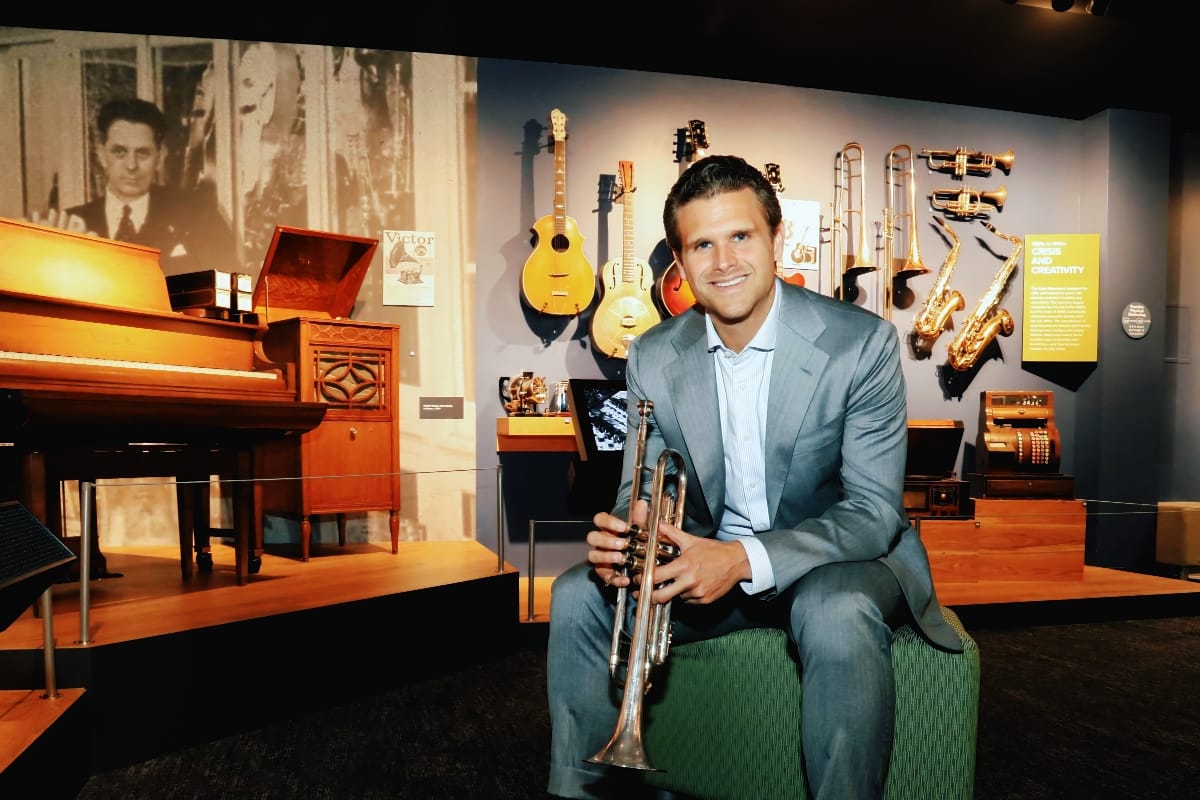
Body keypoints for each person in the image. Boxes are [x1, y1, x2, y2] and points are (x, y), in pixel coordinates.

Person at [546, 154, 964, 800]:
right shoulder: (655, 355)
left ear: (775, 240)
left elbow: (874, 513)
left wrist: (742, 560)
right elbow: (642, 486)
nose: (724, 262)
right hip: (707, 563)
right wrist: (633, 532)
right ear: (679, 266)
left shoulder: (861, 344)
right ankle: (588, 791)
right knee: (577, 594)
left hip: (835, 560)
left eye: (741, 236)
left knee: (834, 610)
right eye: (701, 245)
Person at [37, 96, 237, 274]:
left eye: (143, 153)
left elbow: (232, 296)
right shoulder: (71, 226)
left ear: (160, 156)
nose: (131, 166)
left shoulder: (198, 217)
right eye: (119, 152)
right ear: (101, 154)